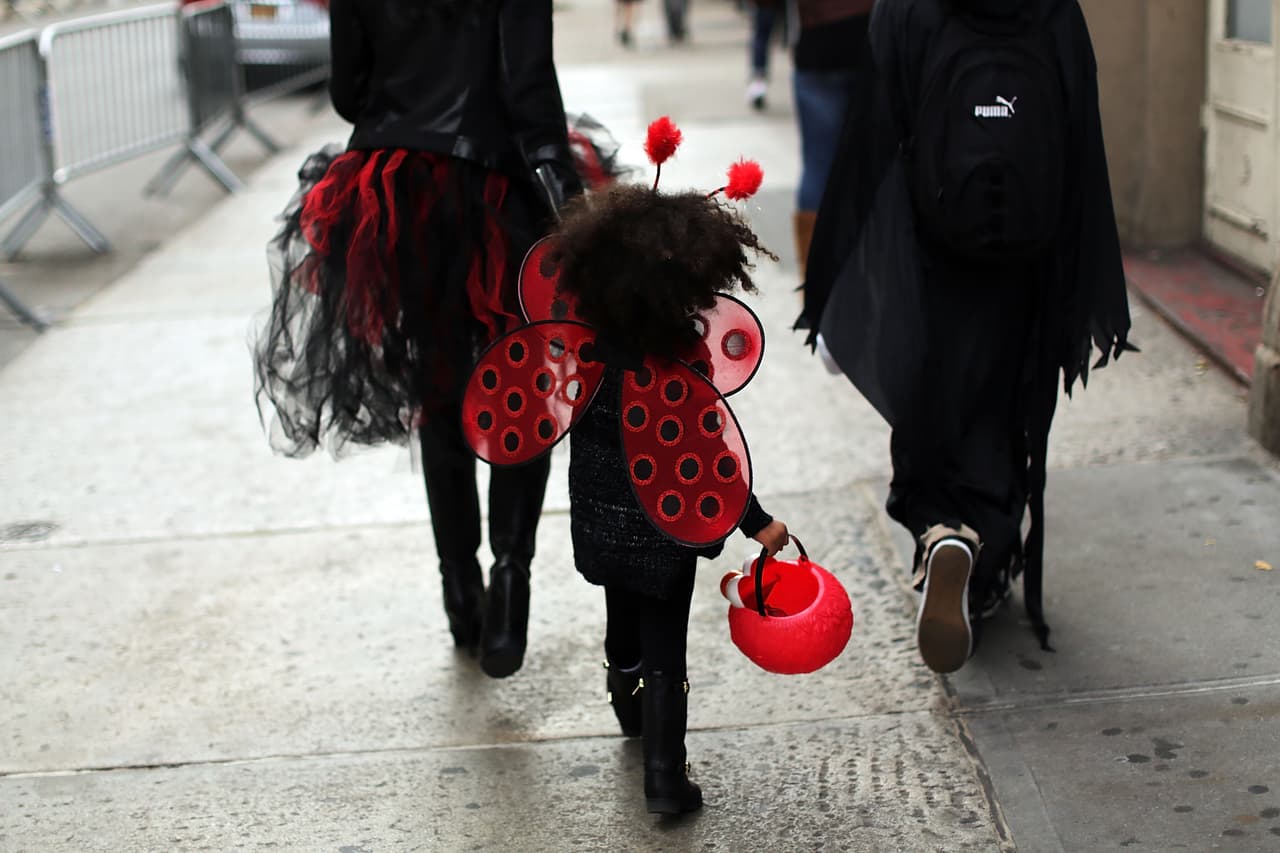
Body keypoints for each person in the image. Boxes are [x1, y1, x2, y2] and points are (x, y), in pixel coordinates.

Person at [461, 121, 789, 814]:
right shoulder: (685, 374)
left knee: (623, 624)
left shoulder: (582, 358)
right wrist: (756, 524)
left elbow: (536, 418)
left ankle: (623, 695)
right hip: (668, 535)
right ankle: (666, 779)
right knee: (670, 649)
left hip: (605, 530)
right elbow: (714, 464)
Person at [799, 0, 1133, 673]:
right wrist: (1085, 280)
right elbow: (1080, 139)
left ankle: (938, 527)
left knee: (933, 387)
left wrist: (838, 284)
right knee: (1008, 398)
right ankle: (984, 555)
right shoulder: (1055, 12)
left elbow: (870, 145)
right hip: (1026, 256)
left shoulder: (908, 10)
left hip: (934, 250)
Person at [252, 0, 583, 679]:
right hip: (496, 186)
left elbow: (349, 92)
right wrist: (575, 211)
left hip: (398, 190)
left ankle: (459, 587)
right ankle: (511, 580)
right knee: (521, 387)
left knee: (440, 389)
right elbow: (529, 91)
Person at [790, 0, 875, 287]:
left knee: (818, 167)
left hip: (819, 39)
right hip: (875, 34)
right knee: (879, 163)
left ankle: (815, 284)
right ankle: (876, 279)